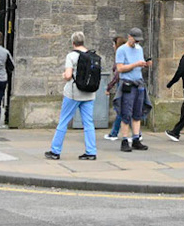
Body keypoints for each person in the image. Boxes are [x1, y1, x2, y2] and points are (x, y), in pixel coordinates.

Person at [45, 31, 100, 161]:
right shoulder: (92, 56)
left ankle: (55, 151)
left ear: (73, 42)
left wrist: (64, 75)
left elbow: (69, 75)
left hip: (74, 93)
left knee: (63, 121)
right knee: (88, 123)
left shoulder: (71, 56)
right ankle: (91, 152)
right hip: (89, 94)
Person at [115, 27, 149, 152]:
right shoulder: (121, 50)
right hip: (127, 84)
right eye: (135, 40)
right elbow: (120, 68)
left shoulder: (139, 49)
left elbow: (140, 64)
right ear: (129, 37)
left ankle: (136, 139)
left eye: (139, 40)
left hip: (139, 83)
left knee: (137, 113)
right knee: (126, 113)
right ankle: (124, 140)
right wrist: (135, 64)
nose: (137, 42)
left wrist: (145, 64)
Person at [104, 34, 128, 141]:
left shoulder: (120, 56)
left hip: (122, 85)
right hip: (126, 84)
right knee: (125, 110)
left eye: (114, 44)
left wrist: (109, 87)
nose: (113, 46)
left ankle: (114, 133)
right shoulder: (126, 55)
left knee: (120, 110)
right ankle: (137, 134)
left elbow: (117, 75)